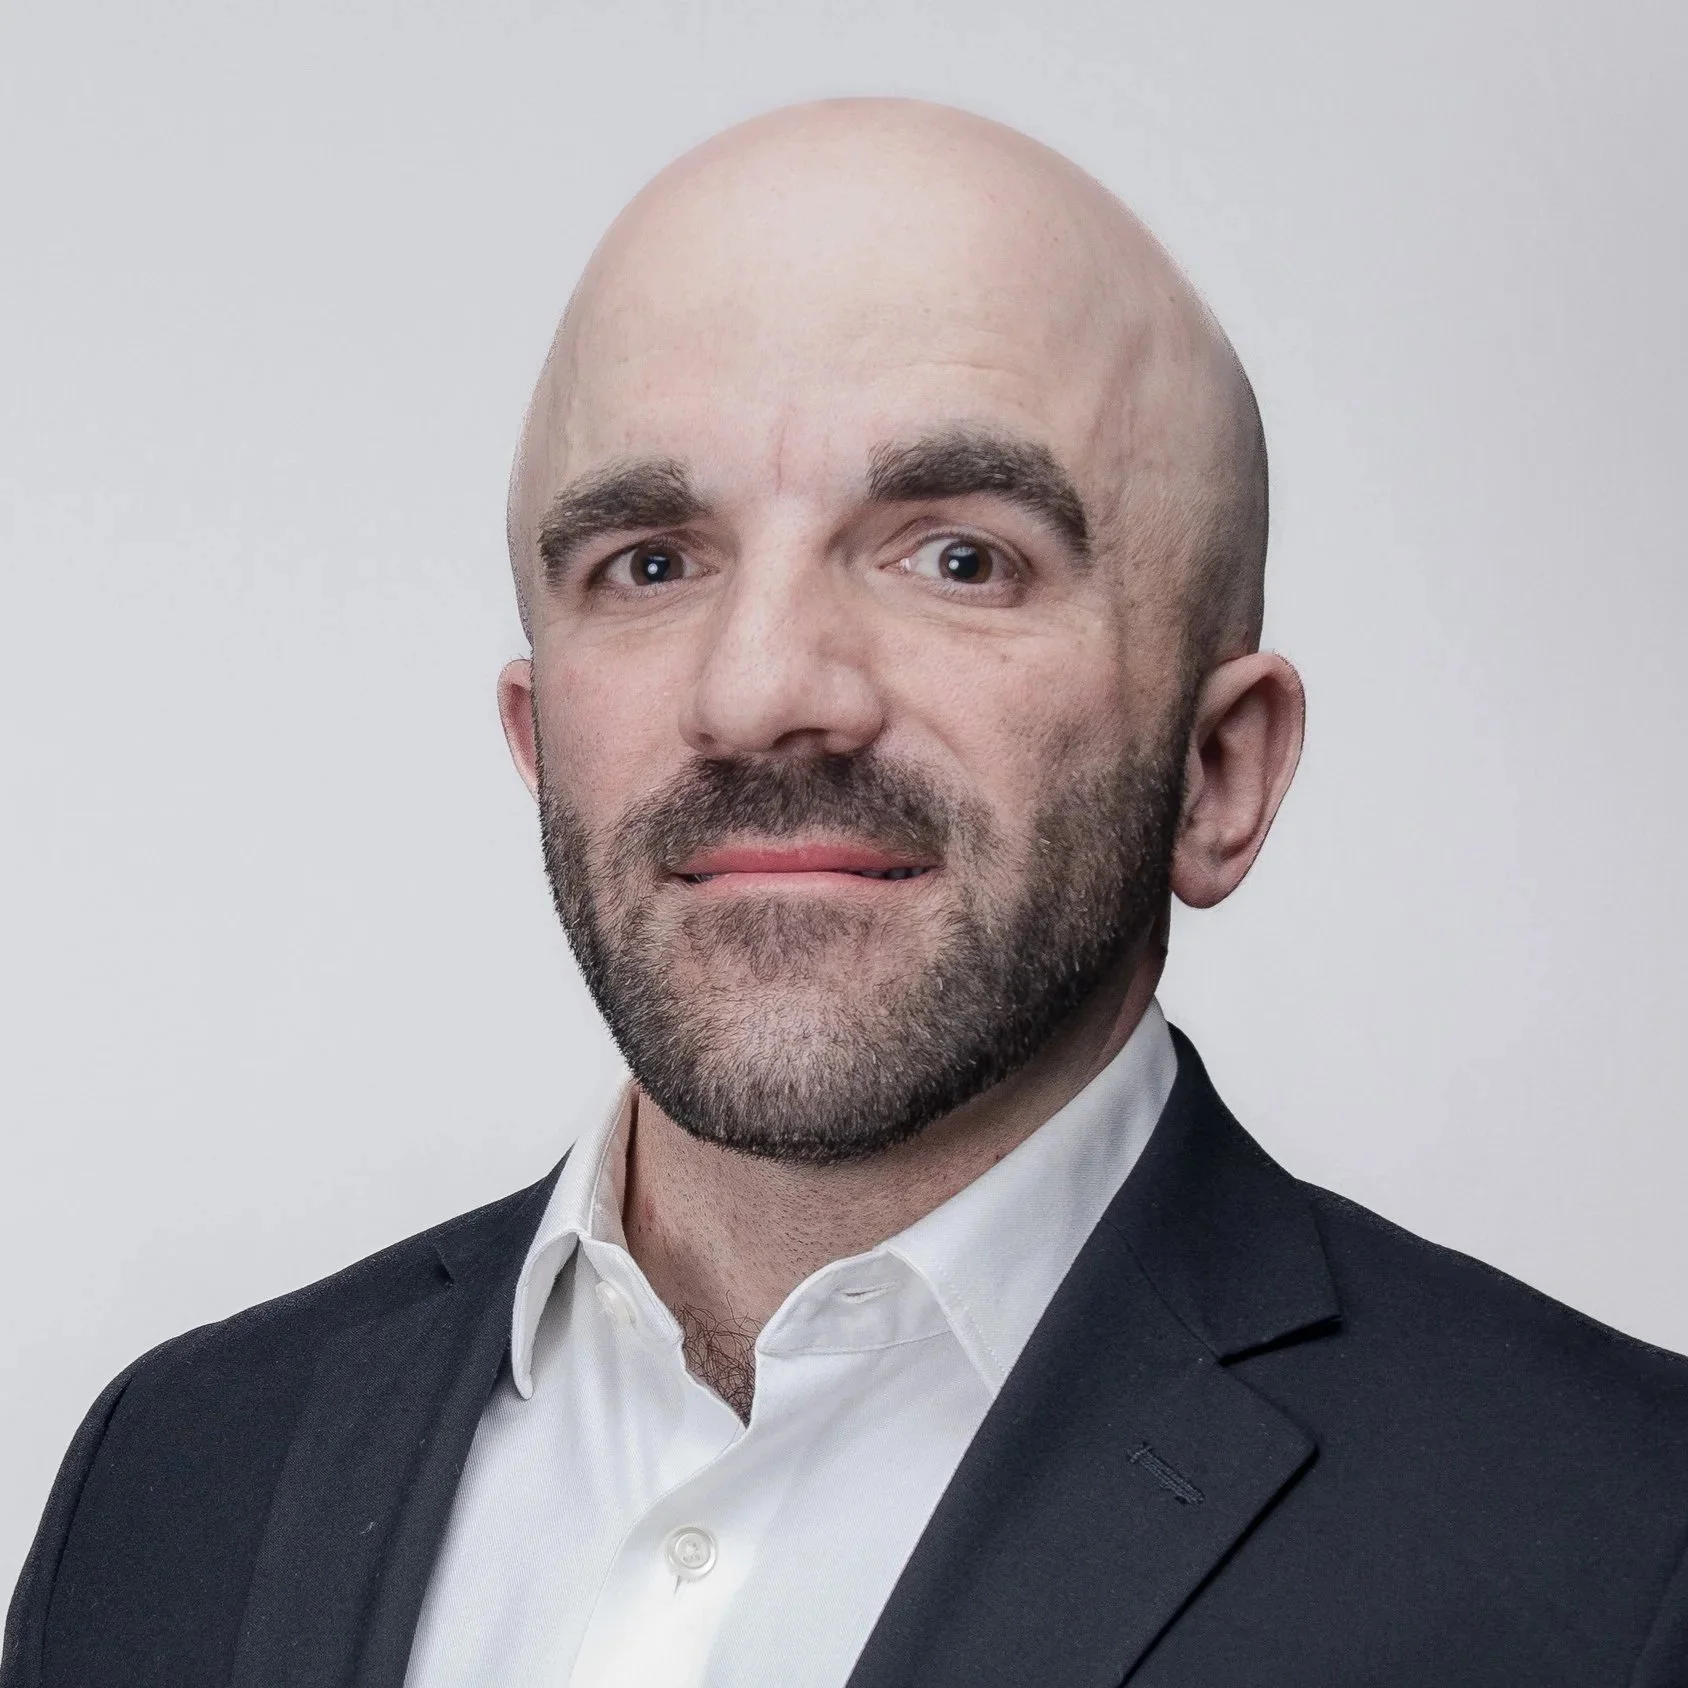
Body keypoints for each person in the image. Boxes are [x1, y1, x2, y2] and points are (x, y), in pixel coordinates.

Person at [5, 97, 1686, 1688]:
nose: (759, 693)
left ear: (1219, 770)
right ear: (540, 736)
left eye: (961, 556)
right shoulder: (178, 1475)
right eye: (650, 563)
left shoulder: (1621, 1553)